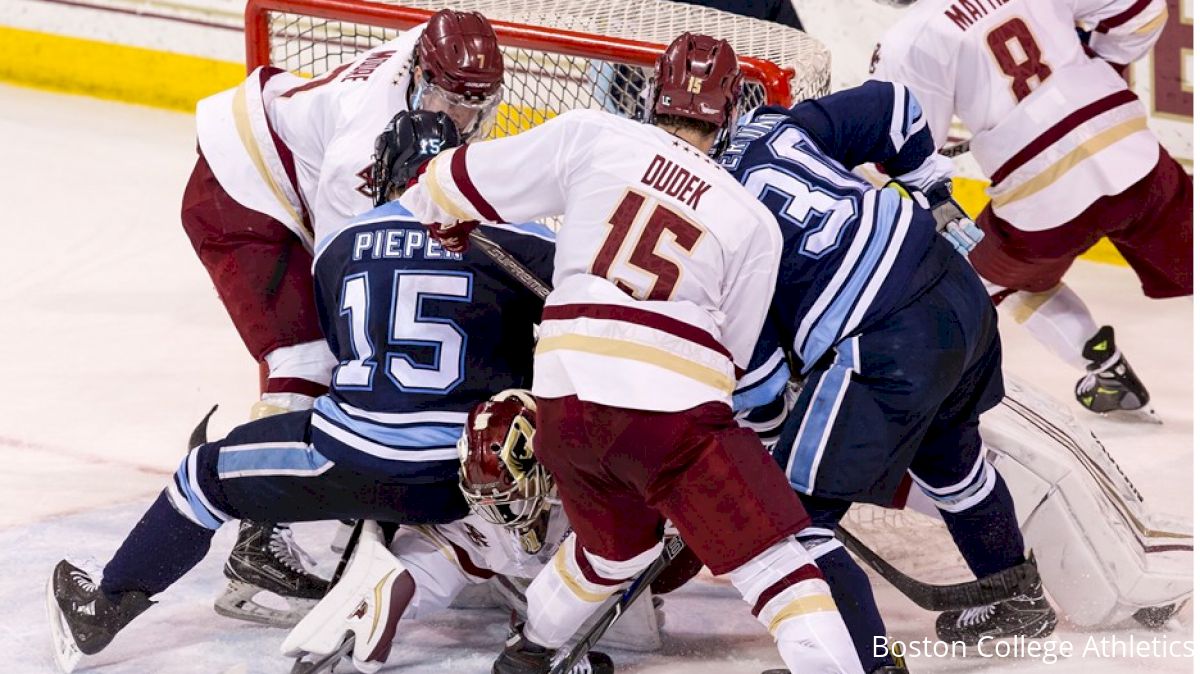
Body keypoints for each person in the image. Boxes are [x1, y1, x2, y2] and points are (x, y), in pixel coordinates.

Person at [399, 31, 861, 674]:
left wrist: (434, 205)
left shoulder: (593, 135)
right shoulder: (751, 218)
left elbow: (449, 182)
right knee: (777, 558)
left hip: (566, 403)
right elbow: (729, 356)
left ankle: (531, 650)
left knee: (612, 551)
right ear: (729, 114)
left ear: (649, 94)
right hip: (672, 418)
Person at [46, 111, 553, 674]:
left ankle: (103, 605)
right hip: (473, 477)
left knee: (205, 475)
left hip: (351, 459)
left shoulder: (341, 243)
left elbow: (352, 358)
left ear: (385, 175)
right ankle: (543, 597)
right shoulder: (523, 237)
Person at [180, 8, 507, 621]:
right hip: (241, 189)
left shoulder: (435, 57)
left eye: (474, 104)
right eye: (444, 98)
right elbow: (347, 280)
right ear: (418, 75)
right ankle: (257, 543)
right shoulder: (360, 156)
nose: (459, 118)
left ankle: (350, 511)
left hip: (284, 162)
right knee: (311, 357)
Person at [720, 81, 1053, 671]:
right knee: (952, 462)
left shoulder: (708, 212)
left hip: (886, 338)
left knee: (788, 513)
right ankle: (1016, 596)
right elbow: (895, 106)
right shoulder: (776, 126)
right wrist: (931, 188)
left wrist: (770, 441)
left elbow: (762, 381)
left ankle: (867, 663)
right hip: (955, 286)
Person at [870, 0, 1191, 418]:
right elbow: (1141, 13)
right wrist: (1098, 71)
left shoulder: (908, 39)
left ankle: (1104, 369)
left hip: (1042, 201)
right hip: (1132, 153)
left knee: (993, 279)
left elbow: (906, 146)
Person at [282, 389, 656, 673]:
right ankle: (526, 612)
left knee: (638, 614)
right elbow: (449, 550)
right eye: (490, 500)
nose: (503, 511)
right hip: (505, 571)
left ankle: (537, 623)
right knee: (455, 548)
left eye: (511, 497)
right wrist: (385, 590)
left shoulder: (593, 475)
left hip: (578, 558)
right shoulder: (484, 504)